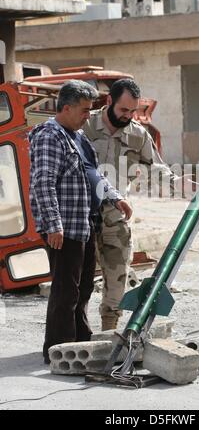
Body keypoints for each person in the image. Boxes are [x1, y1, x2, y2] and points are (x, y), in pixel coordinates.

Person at [29, 80, 132, 364]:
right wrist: (53, 225)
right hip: (64, 228)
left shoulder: (77, 136)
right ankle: (59, 351)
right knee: (66, 290)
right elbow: (43, 183)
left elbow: (94, 174)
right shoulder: (50, 135)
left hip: (84, 224)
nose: (89, 116)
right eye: (85, 110)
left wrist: (115, 197)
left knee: (83, 287)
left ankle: (80, 343)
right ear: (67, 108)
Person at [84, 78, 185, 331]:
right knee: (78, 278)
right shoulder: (85, 126)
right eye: (123, 110)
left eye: (133, 111)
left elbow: (156, 167)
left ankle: (109, 333)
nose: (128, 116)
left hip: (115, 215)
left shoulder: (138, 135)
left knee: (117, 276)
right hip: (81, 213)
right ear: (109, 101)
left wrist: (178, 183)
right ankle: (76, 333)